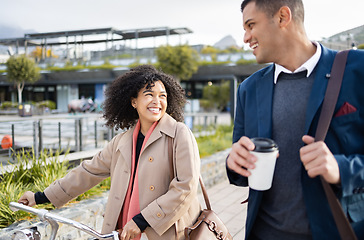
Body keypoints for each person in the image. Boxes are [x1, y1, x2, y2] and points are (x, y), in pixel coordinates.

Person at [226, 0, 364, 239]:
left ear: (282, 17)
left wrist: (341, 169)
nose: (246, 38)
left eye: (251, 25)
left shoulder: (358, 69)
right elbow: (240, 167)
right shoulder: (249, 89)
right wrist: (234, 161)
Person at [18, 65, 201, 240]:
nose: (157, 101)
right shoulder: (121, 142)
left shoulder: (179, 134)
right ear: (133, 101)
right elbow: (87, 172)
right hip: (123, 232)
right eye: (149, 94)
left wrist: (142, 220)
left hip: (164, 232)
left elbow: (186, 187)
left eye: (163, 96)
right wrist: (39, 197)